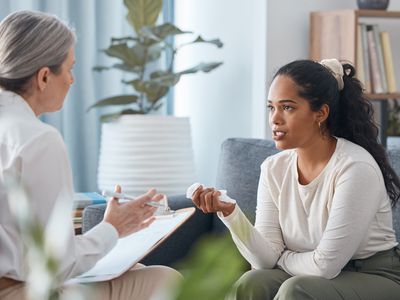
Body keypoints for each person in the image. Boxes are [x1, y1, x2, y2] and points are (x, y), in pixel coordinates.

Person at [0, 10, 180, 300]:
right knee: (166, 280)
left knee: (136, 272)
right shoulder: (38, 139)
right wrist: (114, 227)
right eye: (69, 69)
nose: (72, 80)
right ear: (44, 76)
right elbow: (55, 264)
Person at [191, 58, 400, 299]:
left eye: (287, 107)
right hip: (310, 272)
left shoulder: (355, 167)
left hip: (374, 276)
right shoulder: (273, 168)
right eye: (271, 107)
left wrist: (282, 258)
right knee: (253, 281)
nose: (275, 119)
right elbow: (264, 261)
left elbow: (325, 266)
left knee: (296, 289)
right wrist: (230, 214)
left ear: (321, 113)